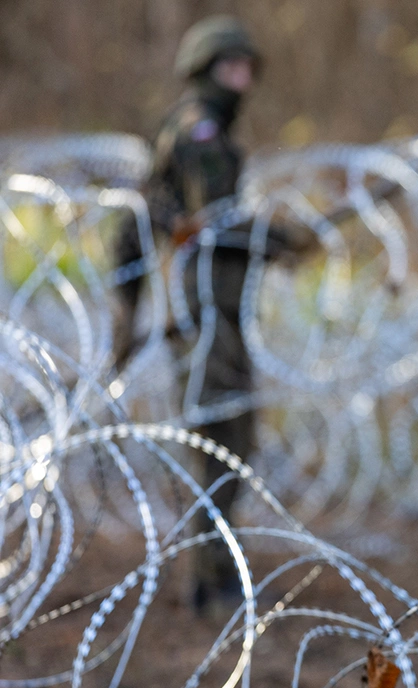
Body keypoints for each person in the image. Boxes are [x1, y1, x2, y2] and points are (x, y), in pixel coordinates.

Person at [111, 15, 273, 614]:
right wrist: (279, 237)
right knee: (222, 443)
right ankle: (213, 582)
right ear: (205, 71)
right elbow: (213, 224)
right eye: (230, 67)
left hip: (208, 314)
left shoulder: (188, 128)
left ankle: (215, 574)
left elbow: (145, 223)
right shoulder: (203, 134)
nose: (242, 78)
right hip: (205, 317)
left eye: (246, 67)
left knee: (227, 442)